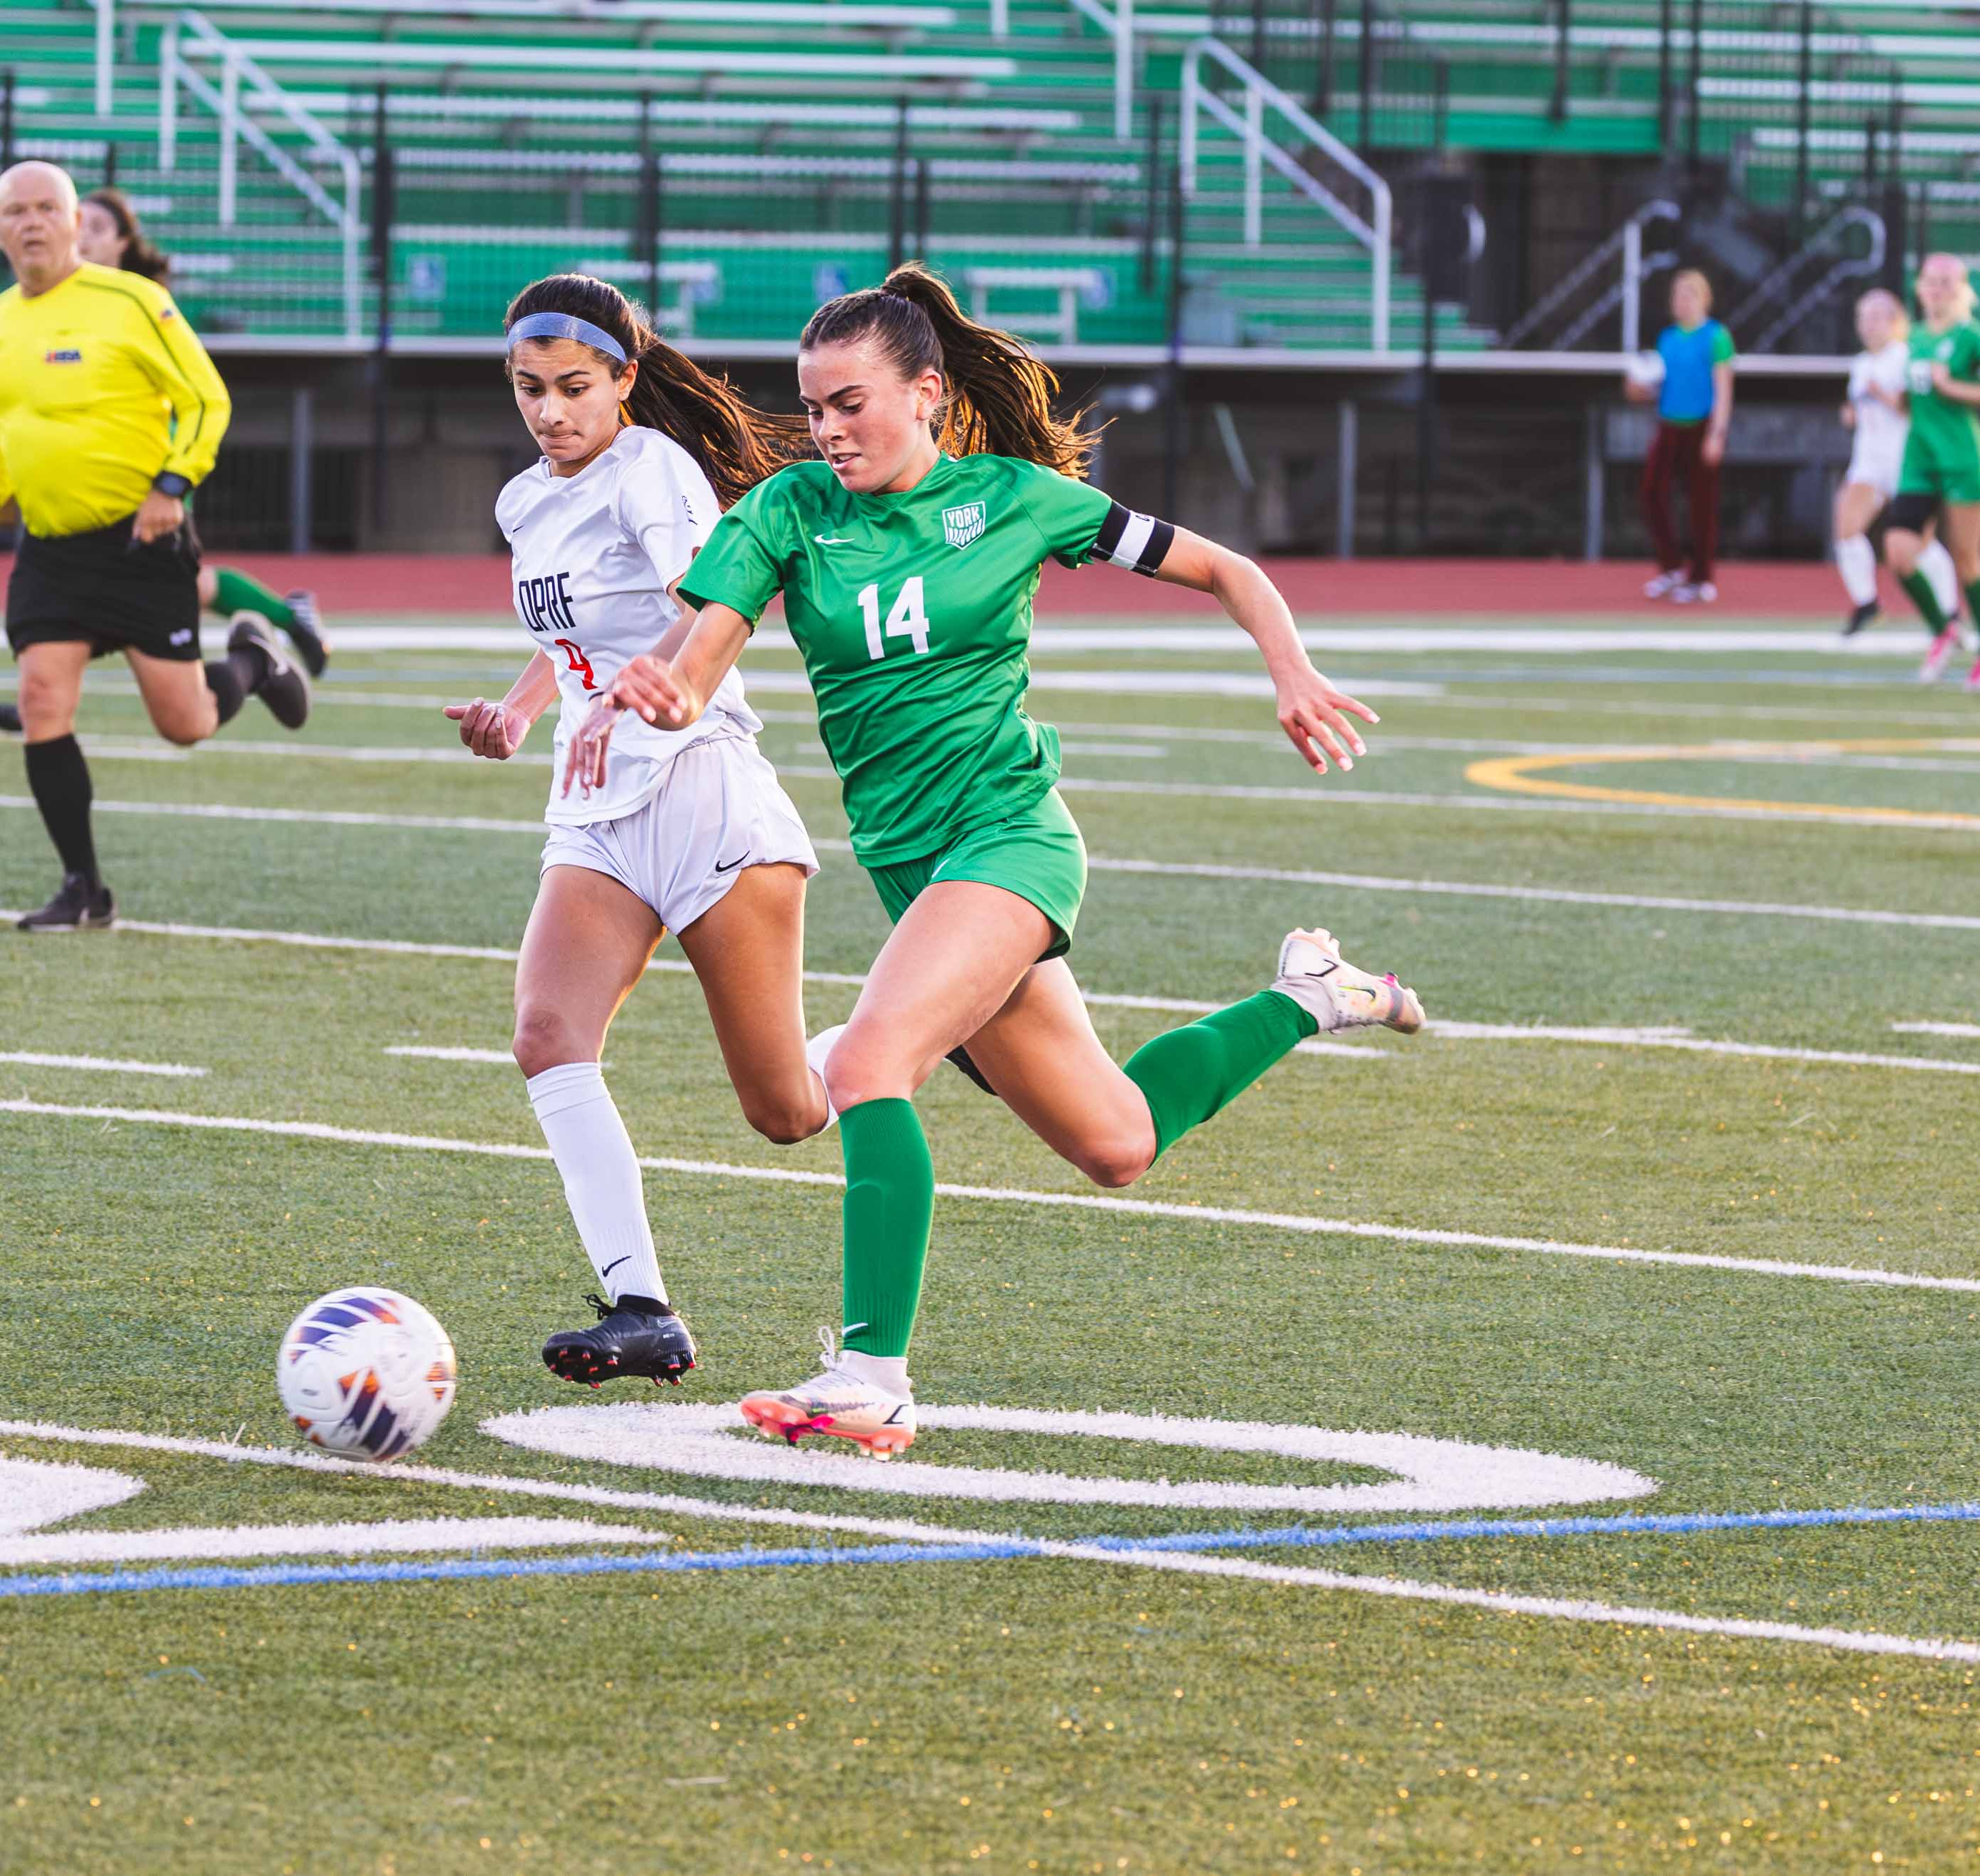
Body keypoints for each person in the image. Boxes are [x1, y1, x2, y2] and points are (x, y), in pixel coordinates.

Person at [580, 264, 1424, 1458]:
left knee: (871, 1066)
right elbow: (707, 649)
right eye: (813, 407)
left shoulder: (1019, 499)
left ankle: (870, 1375)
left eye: (851, 403)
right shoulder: (783, 514)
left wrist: (1289, 669)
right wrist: (668, 695)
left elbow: (1227, 569)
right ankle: (1312, 996)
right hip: (914, 873)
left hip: (1009, 839)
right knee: (1118, 1141)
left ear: (926, 394)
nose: (827, 429)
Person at [444, 274, 824, 1388]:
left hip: (698, 788)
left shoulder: (654, 468)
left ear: (623, 379)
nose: (550, 410)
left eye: (573, 387)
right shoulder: (523, 501)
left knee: (786, 1110)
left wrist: (634, 693)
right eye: (528, 389)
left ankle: (926, 1025)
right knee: (545, 1034)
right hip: (592, 803)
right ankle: (641, 1304)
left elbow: (710, 600)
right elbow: (576, 630)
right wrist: (521, 706)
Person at [0, 160, 313, 931]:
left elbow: (205, 399)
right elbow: (7, 427)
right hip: (49, 550)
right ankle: (84, 889)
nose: (34, 221)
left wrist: (171, 487)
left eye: (49, 207)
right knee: (41, 698)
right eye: (17, 211)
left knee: (184, 724)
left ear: (76, 223)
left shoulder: (134, 301)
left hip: (141, 545)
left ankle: (254, 657)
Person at [0, 185, 326, 735]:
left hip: (149, 466)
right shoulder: (41, 299)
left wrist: (169, 478)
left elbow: (193, 393)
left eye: (96, 227)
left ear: (121, 243)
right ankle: (42, 698)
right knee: (76, 583)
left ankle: (279, 629)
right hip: (74, 481)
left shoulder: (135, 299)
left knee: (152, 583)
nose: (78, 234)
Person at [1835, 288, 1959, 638]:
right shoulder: (1860, 364)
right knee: (1846, 526)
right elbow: (1859, 409)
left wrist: (1884, 396)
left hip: (1907, 462)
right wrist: (1851, 414)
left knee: (1917, 544)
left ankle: (1949, 613)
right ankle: (1866, 603)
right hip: (1869, 463)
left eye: (1877, 317)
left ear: (1895, 322)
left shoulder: (1905, 356)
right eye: (1864, 318)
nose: (1870, 325)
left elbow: (1915, 407)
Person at [1883, 251, 1980, 686]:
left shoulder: (1971, 336)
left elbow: (1958, 392)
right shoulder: (1916, 338)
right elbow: (1913, 397)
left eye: (1946, 282)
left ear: (1961, 289)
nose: (1936, 288)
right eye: (1930, 280)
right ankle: (1943, 631)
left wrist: (1951, 386)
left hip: (1961, 458)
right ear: (1919, 287)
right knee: (1898, 551)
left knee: (1968, 562)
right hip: (1918, 460)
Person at [1624, 268, 1734, 604]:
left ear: (1704, 299)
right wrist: (1639, 392)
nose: (1682, 301)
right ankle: (1672, 567)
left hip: (1701, 426)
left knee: (1702, 503)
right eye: (1677, 295)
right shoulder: (1667, 338)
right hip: (1669, 424)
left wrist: (1716, 434)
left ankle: (1701, 578)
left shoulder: (1716, 336)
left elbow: (1723, 389)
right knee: (1651, 492)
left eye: (1689, 295)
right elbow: (1662, 386)